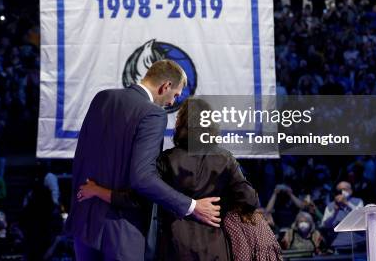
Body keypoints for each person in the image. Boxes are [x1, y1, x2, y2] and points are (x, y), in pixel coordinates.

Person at [66, 60, 222, 261]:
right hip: (121, 234)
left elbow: (82, 157)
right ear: (165, 86)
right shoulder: (153, 114)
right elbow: (143, 178)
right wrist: (192, 206)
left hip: (85, 225)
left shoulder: (102, 98)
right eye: (175, 95)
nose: (173, 103)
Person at [77, 98, 259, 261]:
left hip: (175, 249)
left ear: (181, 123)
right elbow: (250, 200)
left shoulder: (166, 160)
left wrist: (97, 191)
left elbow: (136, 199)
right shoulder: (225, 159)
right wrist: (221, 205)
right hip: (216, 250)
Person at [320, 181, 364, 248]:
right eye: (340, 190)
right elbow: (325, 225)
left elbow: (362, 217)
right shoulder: (330, 206)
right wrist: (335, 212)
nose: (342, 192)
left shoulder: (358, 201)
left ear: (351, 191)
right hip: (338, 244)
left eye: (345, 189)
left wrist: (347, 204)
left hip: (358, 242)